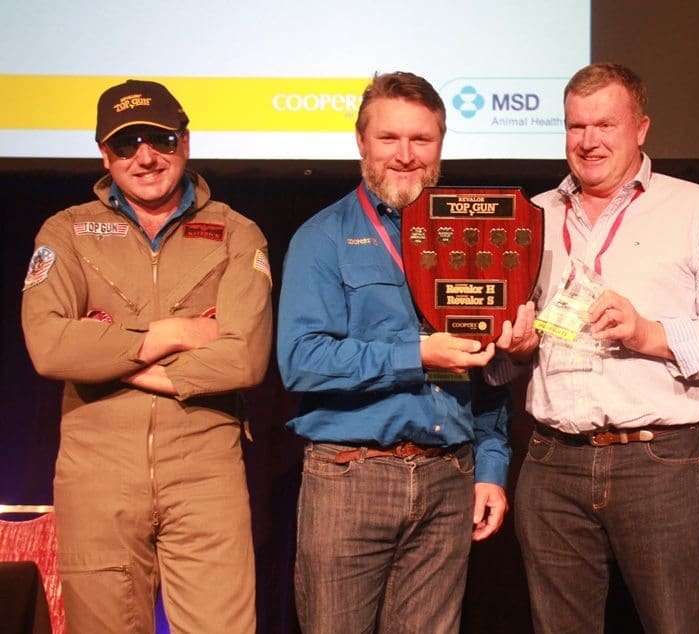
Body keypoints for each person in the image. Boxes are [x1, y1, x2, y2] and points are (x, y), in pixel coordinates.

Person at [497, 62, 699, 633]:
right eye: (575, 127)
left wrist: (649, 333)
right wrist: (515, 350)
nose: (588, 141)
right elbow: (512, 352)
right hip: (551, 462)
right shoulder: (532, 215)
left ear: (641, 128)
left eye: (605, 125)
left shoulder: (696, 208)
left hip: (658, 462)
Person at [20, 79, 272, 633]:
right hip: (96, 477)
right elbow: (50, 345)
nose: (145, 157)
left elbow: (245, 360)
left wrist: (110, 355)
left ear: (184, 140)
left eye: (158, 138)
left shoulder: (237, 233)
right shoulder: (66, 232)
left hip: (206, 473)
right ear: (104, 153)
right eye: (126, 143)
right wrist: (169, 333)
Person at [276, 71, 511, 633]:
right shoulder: (322, 237)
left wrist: (493, 465)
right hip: (351, 476)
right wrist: (418, 354)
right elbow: (302, 358)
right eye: (389, 139)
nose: (405, 156)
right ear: (362, 142)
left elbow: (488, 363)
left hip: (447, 477)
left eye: (421, 140)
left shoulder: (472, 234)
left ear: (440, 146)